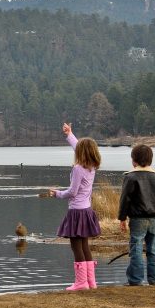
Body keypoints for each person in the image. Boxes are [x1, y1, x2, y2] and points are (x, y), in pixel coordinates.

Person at [49, 122, 102, 290]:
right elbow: (80, 147)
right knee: (84, 245)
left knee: (76, 246)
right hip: (86, 210)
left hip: (77, 212)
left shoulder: (79, 168)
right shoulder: (91, 166)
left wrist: (57, 193)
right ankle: (90, 281)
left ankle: (80, 283)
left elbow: (72, 192)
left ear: (81, 153)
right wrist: (70, 134)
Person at [117, 144, 155, 286]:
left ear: (134, 160)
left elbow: (125, 199)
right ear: (150, 159)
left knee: (136, 248)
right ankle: (154, 280)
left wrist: (122, 218)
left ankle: (136, 280)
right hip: (153, 218)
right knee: (153, 248)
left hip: (137, 219)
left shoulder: (130, 176)